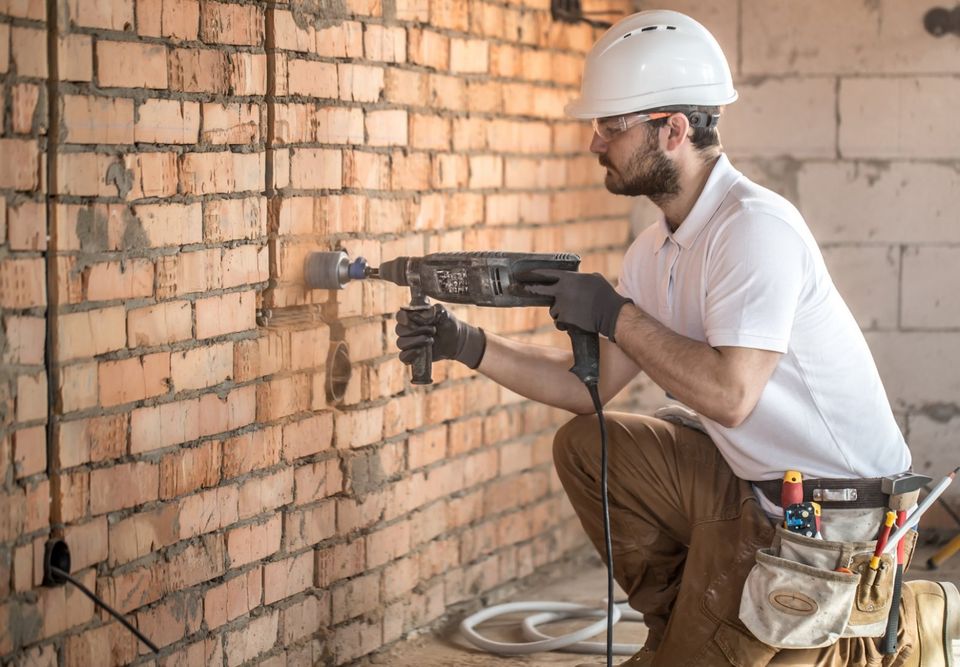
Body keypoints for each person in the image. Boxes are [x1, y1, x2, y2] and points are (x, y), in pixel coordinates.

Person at [394, 9, 959, 667]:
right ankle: (682, 623)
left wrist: (616, 315)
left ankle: (894, 631)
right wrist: (467, 343)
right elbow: (592, 390)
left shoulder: (754, 230)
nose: (595, 143)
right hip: (750, 486)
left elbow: (730, 396)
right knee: (588, 446)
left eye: (611, 126)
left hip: (841, 519)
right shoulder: (653, 250)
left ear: (672, 130)